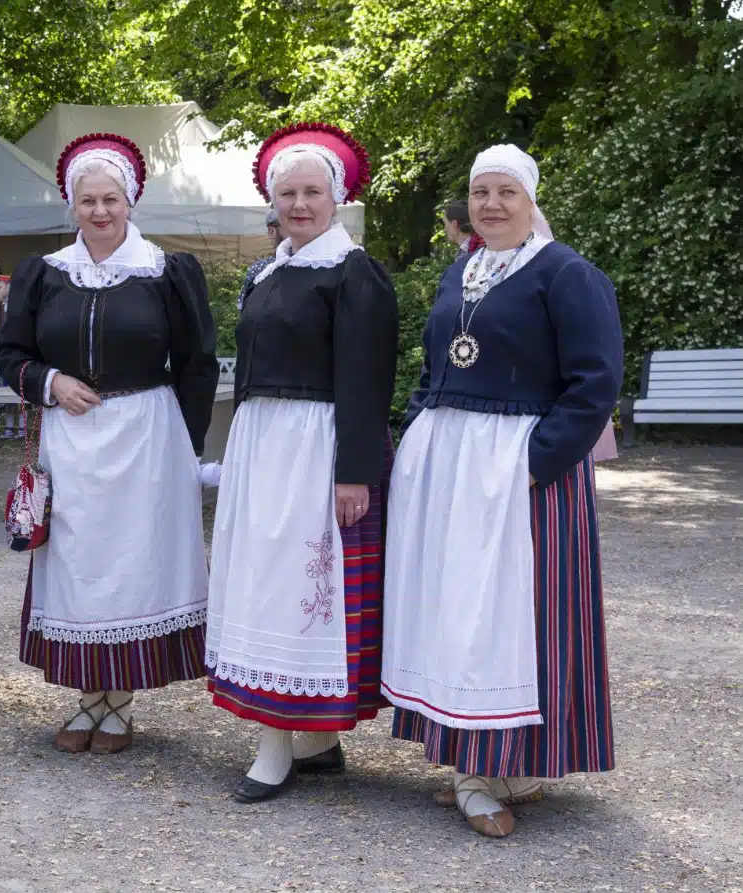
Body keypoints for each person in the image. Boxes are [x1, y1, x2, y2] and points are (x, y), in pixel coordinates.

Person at [381, 144, 622, 838]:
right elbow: (435, 361)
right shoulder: (466, 268)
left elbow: (594, 382)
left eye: (504, 192)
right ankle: (474, 762)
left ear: (529, 199)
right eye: (479, 192)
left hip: (517, 468)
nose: (490, 204)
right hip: (453, 465)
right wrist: (418, 430)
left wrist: (534, 463)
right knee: (456, 607)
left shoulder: (565, 273)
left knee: (509, 617)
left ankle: (497, 766)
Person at [0, 132, 218, 755]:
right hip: (70, 437)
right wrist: (50, 381)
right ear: (72, 205)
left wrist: (187, 449)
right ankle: (87, 697)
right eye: (87, 200)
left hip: (147, 434)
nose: (99, 211)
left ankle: (117, 702)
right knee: (78, 564)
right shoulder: (46, 274)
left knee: (134, 565)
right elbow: (9, 355)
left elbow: (197, 362)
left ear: (131, 200)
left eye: (110, 199)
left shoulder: (168, 271)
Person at [201, 123, 399, 802]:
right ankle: (313, 740)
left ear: (335, 197)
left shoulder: (353, 271)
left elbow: (366, 377)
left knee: (295, 590)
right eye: (286, 192)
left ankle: (276, 742)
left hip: (315, 446)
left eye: (312, 191)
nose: (299, 203)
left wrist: (354, 470)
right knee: (261, 579)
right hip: (263, 444)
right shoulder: (269, 268)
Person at [236, 207, 283, 310]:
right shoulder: (259, 270)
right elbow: (245, 313)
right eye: (287, 225)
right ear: (271, 231)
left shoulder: (316, 266)